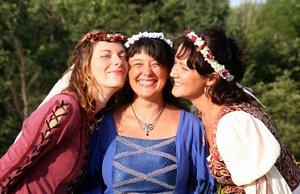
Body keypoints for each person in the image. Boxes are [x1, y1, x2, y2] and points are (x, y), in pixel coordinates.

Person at [81, 31, 217, 193]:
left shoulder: (191, 127)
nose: (147, 72)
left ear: (168, 71)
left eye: (156, 64)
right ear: (127, 70)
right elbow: (90, 186)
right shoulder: (104, 125)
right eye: (137, 64)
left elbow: (201, 188)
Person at [170, 27, 300, 194]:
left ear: (211, 79)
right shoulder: (202, 114)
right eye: (175, 63)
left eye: (183, 68)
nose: (173, 73)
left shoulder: (234, 123)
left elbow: (266, 189)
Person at [0, 29, 128, 193]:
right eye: (106, 55)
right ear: (85, 66)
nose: (118, 61)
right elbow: (15, 160)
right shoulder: (65, 108)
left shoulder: (92, 116)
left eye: (123, 56)